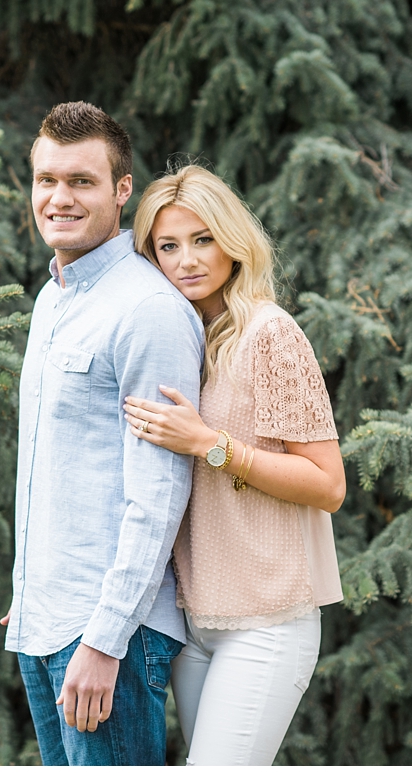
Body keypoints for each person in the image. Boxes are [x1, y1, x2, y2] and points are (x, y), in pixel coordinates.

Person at [121, 166, 347, 765]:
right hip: (193, 623)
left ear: (232, 241)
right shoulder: (177, 337)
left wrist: (209, 444)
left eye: (202, 239)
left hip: (267, 622)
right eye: (167, 246)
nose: (186, 260)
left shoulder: (270, 333)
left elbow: (328, 485)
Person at [0, 101, 202, 765]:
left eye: (81, 181)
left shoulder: (147, 311)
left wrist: (106, 638)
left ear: (122, 190)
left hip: (110, 634)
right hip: (44, 621)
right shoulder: (51, 299)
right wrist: (31, 589)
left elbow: (158, 494)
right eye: (46, 180)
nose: (59, 197)